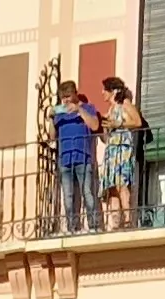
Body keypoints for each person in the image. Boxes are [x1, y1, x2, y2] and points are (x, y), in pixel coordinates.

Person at [53, 81, 102, 236]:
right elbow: (51, 136)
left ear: (75, 93)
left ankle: (93, 225)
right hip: (65, 159)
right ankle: (72, 227)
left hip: (83, 157)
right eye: (63, 97)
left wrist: (79, 109)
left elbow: (95, 126)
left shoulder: (88, 108)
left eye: (68, 96)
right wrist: (50, 119)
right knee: (68, 195)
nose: (66, 100)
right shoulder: (60, 113)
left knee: (87, 192)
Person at [98, 77, 144, 229]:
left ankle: (128, 220)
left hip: (122, 150)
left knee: (122, 185)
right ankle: (116, 223)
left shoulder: (125, 104)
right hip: (111, 150)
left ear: (113, 91)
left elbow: (137, 122)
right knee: (112, 187)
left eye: (105, 89)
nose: (102, 92)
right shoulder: (110, 110)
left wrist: (119, 123)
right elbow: (107, 137)